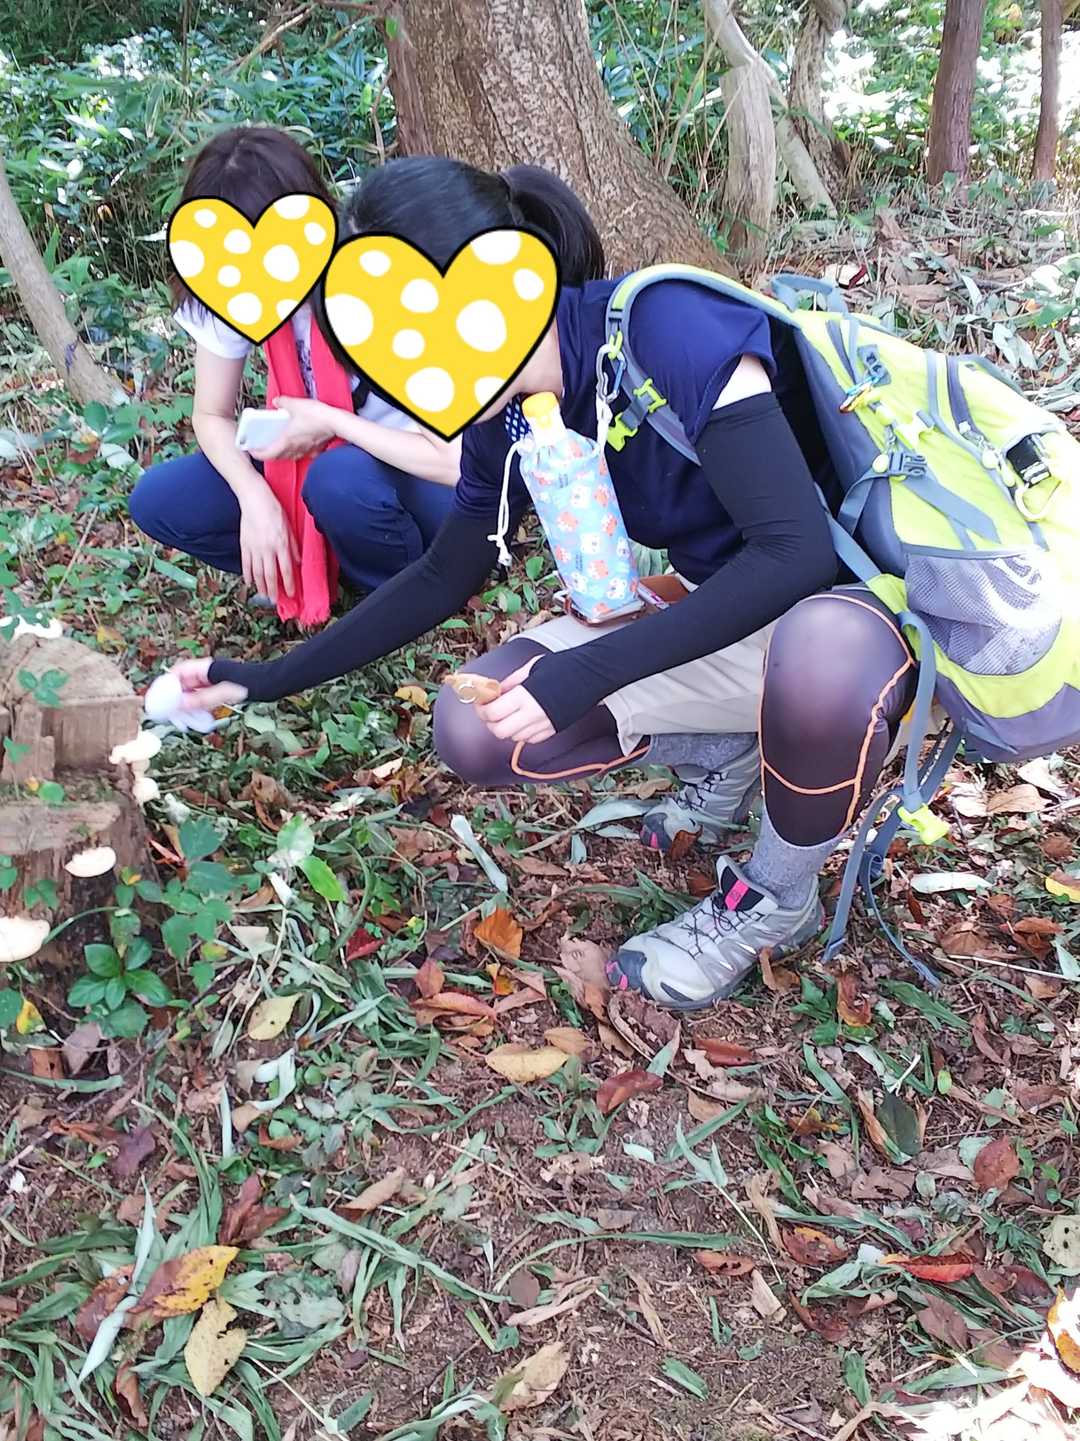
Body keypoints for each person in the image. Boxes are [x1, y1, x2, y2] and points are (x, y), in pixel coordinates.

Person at [168, 156, 919, 1011]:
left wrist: (582, 672)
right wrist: (263, 679)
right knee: (474, 724)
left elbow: (795, 552)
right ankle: (736, 753)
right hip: (740, 614)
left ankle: (776, 896)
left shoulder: (668, 326)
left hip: (871, 625)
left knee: (817, 652)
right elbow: (445, 572)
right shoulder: (505, 405)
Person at [130, 127, 458, 622]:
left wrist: (330, 423)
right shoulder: (227, 288)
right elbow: (211, 415)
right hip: (309, 467)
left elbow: (454, 461)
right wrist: (254, 497)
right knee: (160, 500)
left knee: (338, 478)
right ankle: (313, 571)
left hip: (417, 475)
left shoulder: (377, 277)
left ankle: (400, 591)